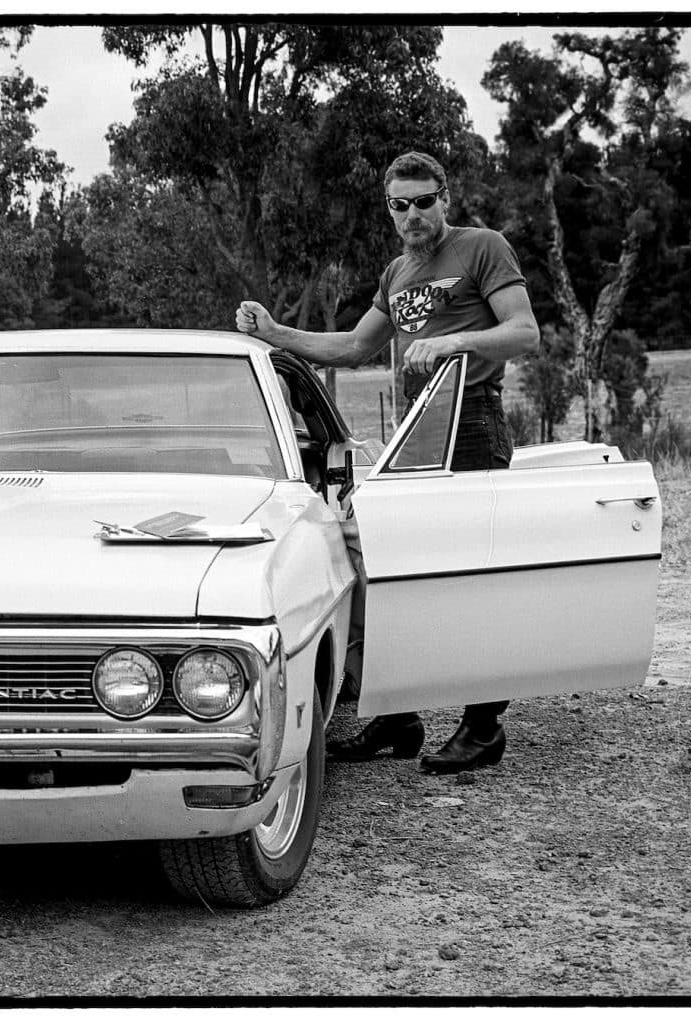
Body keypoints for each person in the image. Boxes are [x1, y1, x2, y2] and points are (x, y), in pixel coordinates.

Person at [235, 150, 538, 774]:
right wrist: (275, 332)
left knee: (466, 576)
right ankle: (398, 714)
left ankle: (484, 728)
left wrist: (458, 340)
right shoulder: (397, 272)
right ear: (390, 210)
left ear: (445, 198)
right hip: (418, 428)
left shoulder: (483, 248)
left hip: (473, 418)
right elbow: (351, 345)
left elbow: (524, 332)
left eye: (424, 201)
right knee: (392, 565)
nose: (413, 214)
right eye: (400, 205)